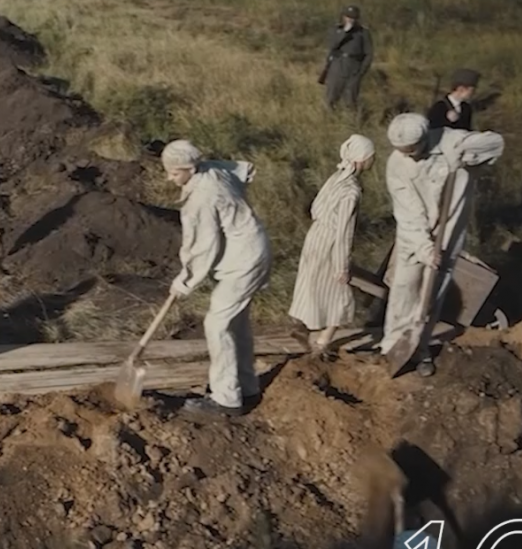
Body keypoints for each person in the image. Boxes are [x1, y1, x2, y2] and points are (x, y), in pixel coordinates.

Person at [378, 114, 505, 359]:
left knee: (434, 291)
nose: (406, 154)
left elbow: (496, 144)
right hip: (413, 236)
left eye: (410, 150)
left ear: (425, 139)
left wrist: (466, 151)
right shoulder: (397, 164)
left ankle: (421, 346)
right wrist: (425, 249)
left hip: (449, 233)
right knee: (404, 288)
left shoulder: (452, 141)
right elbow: (408, 212)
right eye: (401, 150)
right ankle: (392, 346)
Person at [160, 140, 272, 417]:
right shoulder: (212, 170)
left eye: (174, 173)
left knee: (216, 324)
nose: (169, 178)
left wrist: (184, 281)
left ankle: (225, 398)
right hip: (254, 248)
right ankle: (247, 386)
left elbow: (202, 246)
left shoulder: (203, 197)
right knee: (237, 322)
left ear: (188, 168)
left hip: (244, 259)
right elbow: (243, 170)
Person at [288, 134, 375, 357]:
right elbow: (344, 231)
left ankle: (302, 325)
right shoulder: (351, 191)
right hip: (330, 242)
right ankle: (323, 341)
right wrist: (341, 266)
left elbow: (315, 207)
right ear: (361, 159)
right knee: (340, 294)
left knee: (311, 285)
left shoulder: (336, 178)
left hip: (315, 236)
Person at [321, 5, 373, 112]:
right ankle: (329, 121)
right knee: (331, 98)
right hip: (337, 66)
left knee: (351, 100)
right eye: (348, 17)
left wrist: (361, 71)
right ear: (343, 17)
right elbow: (332, 46)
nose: (351, 20)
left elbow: (369, 54)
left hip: (354, 67)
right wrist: (345, 32)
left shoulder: (363, 32)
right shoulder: (336, 30)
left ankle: (351, 124)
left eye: (353, 18)